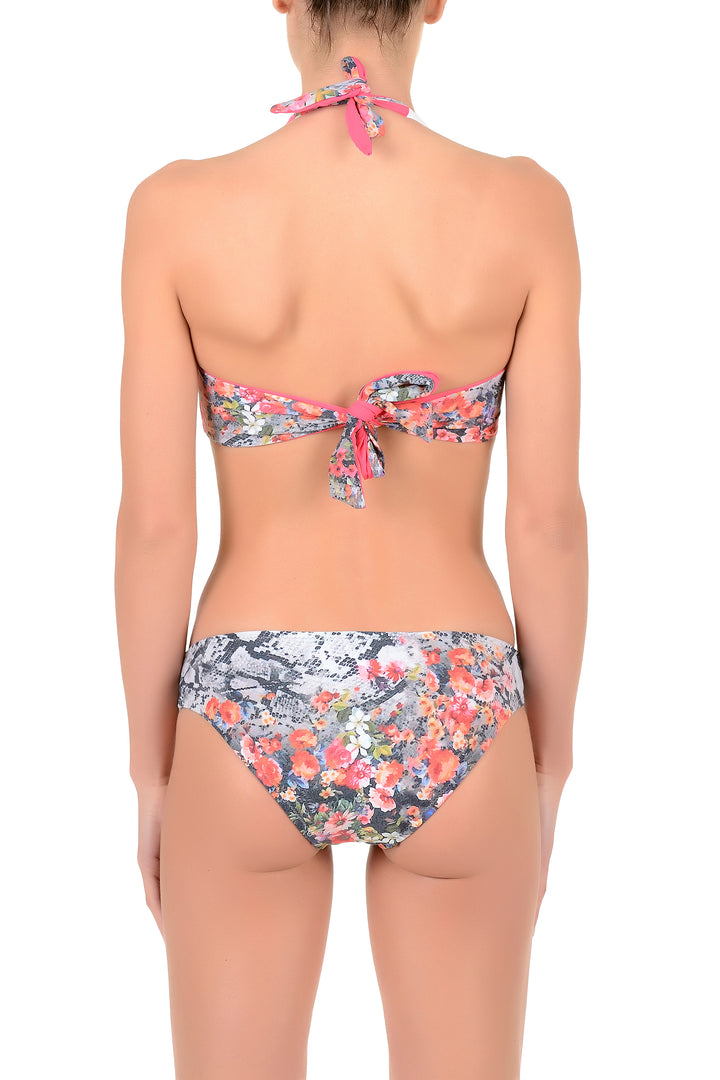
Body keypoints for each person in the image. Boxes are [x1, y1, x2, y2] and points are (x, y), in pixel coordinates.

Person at [115, 0, 588, 1075]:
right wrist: (549, 762)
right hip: (458, 697)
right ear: (436, 1)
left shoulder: (175, 209)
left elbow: (155, 526)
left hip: (245, 700)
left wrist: (152, 773)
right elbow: (547, 523)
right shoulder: (526, 206)